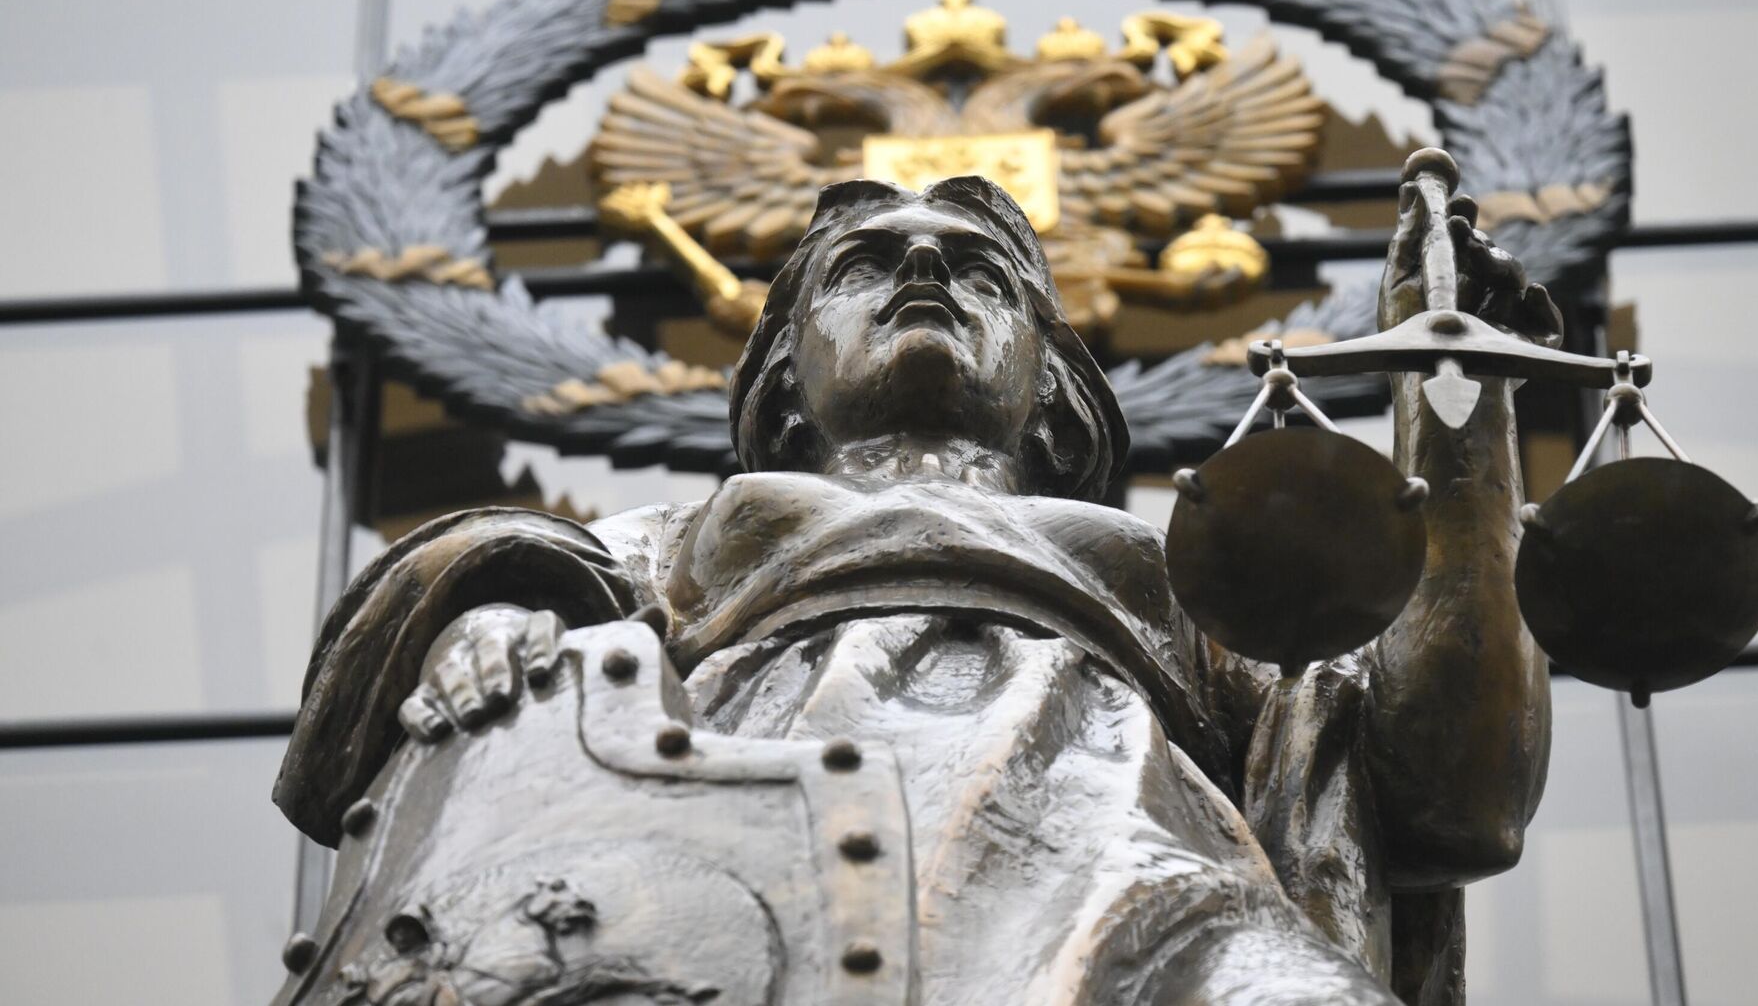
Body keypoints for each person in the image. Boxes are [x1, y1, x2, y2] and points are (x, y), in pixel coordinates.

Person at [276, 174, 1558, 1005]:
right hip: (760, 872)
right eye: (864, 265)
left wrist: (1460, 427)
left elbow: (1453, 792)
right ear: (785, 382)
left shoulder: (1191, 575)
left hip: (1132, 878)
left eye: (982, 274)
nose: (925, 274)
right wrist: (498, 621)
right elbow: (512, 592)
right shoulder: (681, 541)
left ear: (1053, 393)